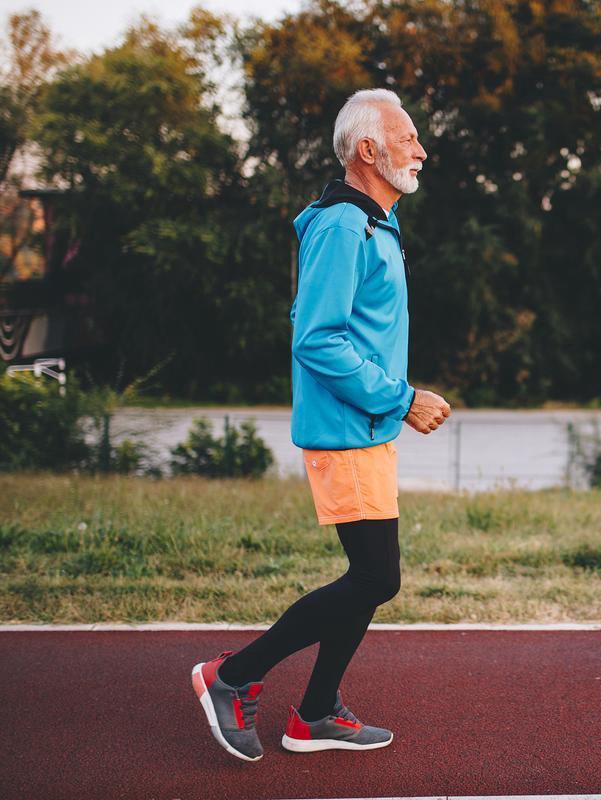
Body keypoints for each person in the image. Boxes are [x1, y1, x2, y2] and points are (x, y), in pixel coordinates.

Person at [190, 88, 452, 761]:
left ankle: (314, 714)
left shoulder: (374, 224)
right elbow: (317, 339)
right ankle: (232, 676)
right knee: (376, 578)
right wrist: (403, 398)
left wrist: (391, 405)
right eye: (408, 138)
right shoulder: (343, 227)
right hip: (347, 429)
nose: (422, 150)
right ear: (368, 149)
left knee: (369, 576)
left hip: (366, 428)